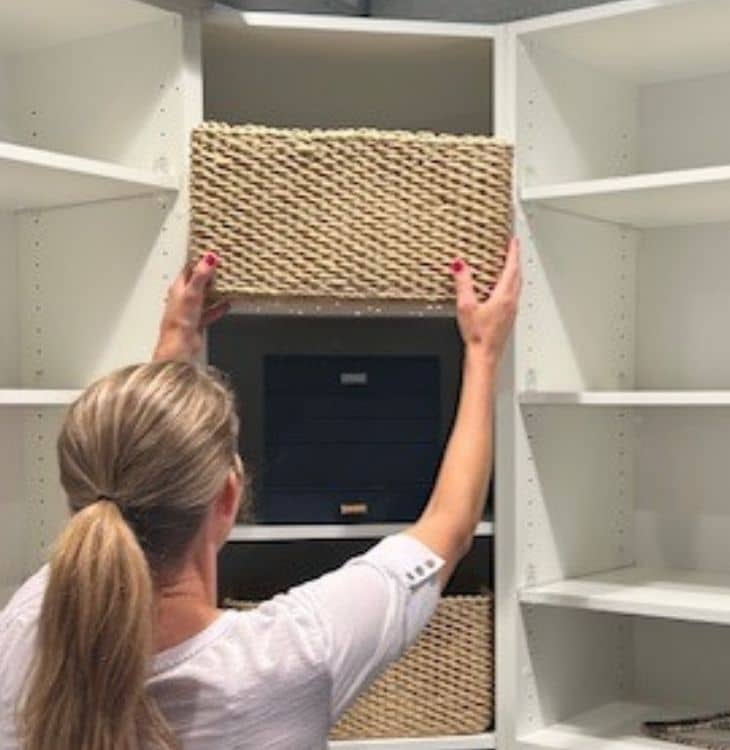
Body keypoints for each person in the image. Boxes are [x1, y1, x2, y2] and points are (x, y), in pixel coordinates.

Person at [0, 239, 520, 750]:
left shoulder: (23, 628)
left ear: (81, 500)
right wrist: (482, 353)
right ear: (229, 496)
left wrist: (173, 346)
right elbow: (448, 530)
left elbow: (131, 470)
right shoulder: (290, 658)